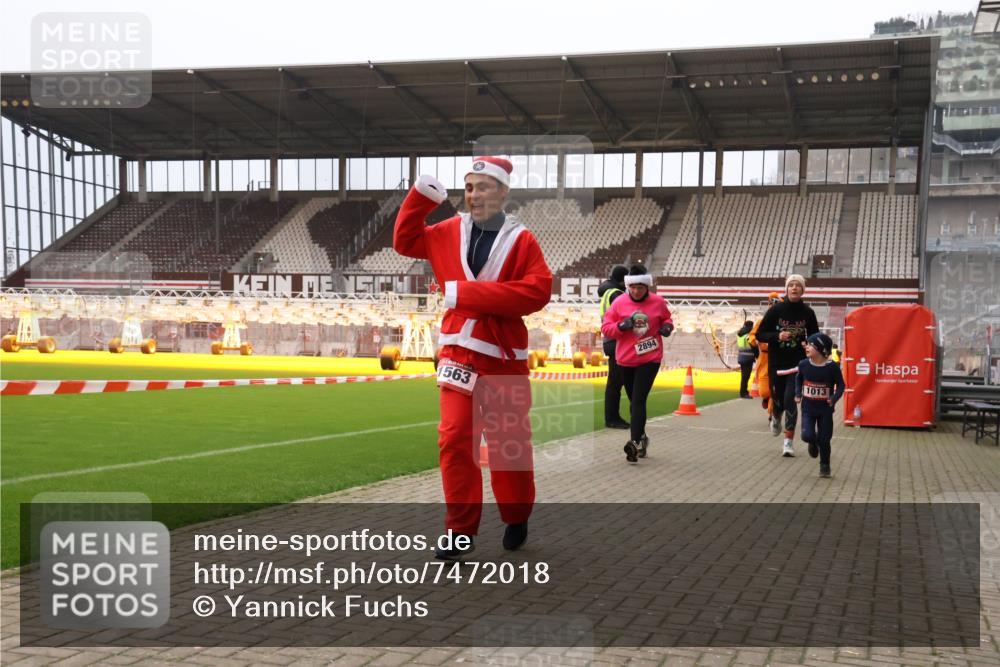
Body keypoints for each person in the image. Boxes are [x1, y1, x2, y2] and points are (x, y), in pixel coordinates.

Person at [393, 156, 552, 560]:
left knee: (509, 445)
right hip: (458, 354)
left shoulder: (523, 240)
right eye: (468, 187)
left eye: (483, 186)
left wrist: (464, 294)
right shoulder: (448, 230)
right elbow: (405, 241)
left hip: (503, 359)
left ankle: (516, 514)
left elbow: (536, 293)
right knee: (454, 439)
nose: (474, 194)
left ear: (503, 192)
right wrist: (420, 197)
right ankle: (460, 529)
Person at [601, 265, 674, 463]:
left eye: (640, 287)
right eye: (632, 287)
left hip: (649, 358)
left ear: (647, 286)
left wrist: (667, 327)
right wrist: (621, 326)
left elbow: (667, 318)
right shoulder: (619, 303)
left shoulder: (657, 302)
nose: (635, 291)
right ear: (628, 286)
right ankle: (642, 439)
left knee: (639, 400)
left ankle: (633, 442)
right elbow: (606, 328)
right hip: (625, 359)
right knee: (634, 402)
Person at [754, 275, 819, 457]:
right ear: (786, 289)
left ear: (803, 290)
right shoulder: (776, 310)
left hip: (797, 363)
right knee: (779, 400)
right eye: (791, 285)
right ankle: (775, 415)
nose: (794, 288)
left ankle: (788, 443)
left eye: (798, 285)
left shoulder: (808, 312)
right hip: (776, 363)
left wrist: (809, 345)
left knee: (791, 400)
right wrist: (777, 336)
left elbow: (814, 336)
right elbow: (760, 334)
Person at [795, 333, 845, 478]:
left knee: (825, 439)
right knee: (806, 435)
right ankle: (812, 441)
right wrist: (798, 394)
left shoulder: (832, 368)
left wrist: (834, 398)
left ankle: (825, 465)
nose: (806, 346)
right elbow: (799, 380)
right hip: (808, 408)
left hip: (825, 409)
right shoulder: (804, 364)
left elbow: (841, 385)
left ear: (821, 349)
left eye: (810, 344)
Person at [598, 265, 631, 428]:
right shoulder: (616, 295)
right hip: (616, 340)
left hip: (610, 340)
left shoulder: (607, 292)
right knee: (616, 383)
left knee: (615, 382)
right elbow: (626, 317)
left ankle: (612, 417)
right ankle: (612, 418)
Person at [749, 292, 781, 420]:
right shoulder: (761, 322)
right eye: (771, 304)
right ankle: (766, 398)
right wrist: (754, 341)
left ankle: (772, 413)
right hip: (764, 358)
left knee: (776, 387)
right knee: (764, 390)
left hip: (778, 357)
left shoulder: (782, 323)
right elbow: (752, 336)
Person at [736, 320, 755, 398]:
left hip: (741, 357)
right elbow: (753, 346)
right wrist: (757, 354)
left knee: (744, 376)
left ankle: (743, 392)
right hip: (748, 358)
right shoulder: (747, 336)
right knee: (746, 376)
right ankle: (743, 393)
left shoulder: (740, 335)